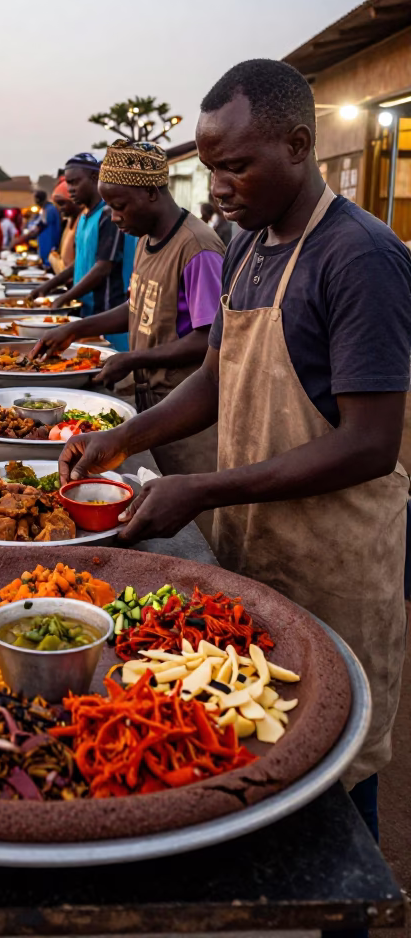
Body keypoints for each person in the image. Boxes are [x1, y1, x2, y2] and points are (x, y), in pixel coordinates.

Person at [59, 58, 411, 835]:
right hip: (257, 552)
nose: (216, 187)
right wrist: (121, 438)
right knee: (257, 749)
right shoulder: (249, 246)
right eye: (211, 167)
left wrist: (205, 490)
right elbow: (214, 383)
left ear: (297, 144)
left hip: (338, 564)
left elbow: (370, 445)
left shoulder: (361, 258)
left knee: (334, 788)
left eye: (235, 166)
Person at [34, 139, 224, 484]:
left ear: (151, 192)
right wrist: (75, 329)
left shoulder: (198, 247)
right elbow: (136, 308)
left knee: (192, 512)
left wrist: (134, 359)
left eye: (120, 205)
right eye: (109, 207)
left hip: (188, 409)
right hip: (150, 402)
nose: (114, 217)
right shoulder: (145, 240)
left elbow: (210, 339)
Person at [30, 153, 128, 349]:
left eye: (75, 182)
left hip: (107, 312)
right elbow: (82, 260)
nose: (70, 189)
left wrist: (66, 297)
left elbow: (103, 267)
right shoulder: (84, 217)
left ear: (94, 178)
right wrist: (48, 286)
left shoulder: (109, 216)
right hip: (85, 310)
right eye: (68, 183)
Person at [18, 190, 62, 263]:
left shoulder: (50, 209)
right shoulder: (44, 209)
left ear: (38, 199)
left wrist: (26, 237)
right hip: (45, 245)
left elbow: (40, 225)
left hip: (50, 244)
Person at [49, 179, 79, 270]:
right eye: (58, 205)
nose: (60, 208)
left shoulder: (82, 221)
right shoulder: (69, 221)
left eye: (62, 204)